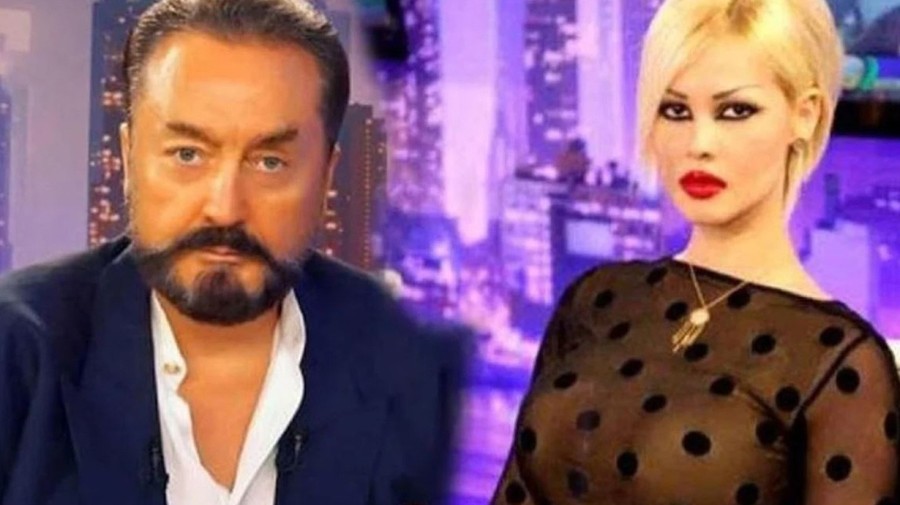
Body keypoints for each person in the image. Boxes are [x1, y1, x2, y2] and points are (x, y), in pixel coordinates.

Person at [0, 1, 462, 504]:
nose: (224, 209)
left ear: (326, 176)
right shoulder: (18, 347)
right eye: (188, 154)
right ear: (129, 158)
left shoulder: (413, 360)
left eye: (269, 162)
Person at [491, 0, 900, 504]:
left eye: (735, 111)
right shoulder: (596, 299)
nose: (698, 143)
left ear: (805, 114)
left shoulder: (841, 364)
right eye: (675, 110)